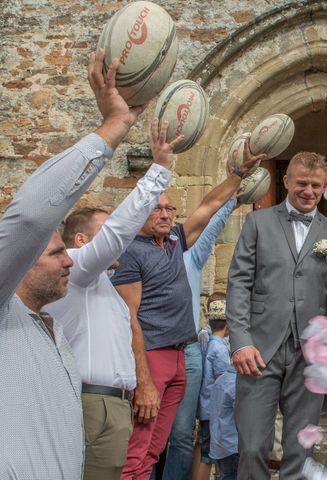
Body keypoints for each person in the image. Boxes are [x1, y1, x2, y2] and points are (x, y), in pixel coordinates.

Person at [0, 50, 144, 478]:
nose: (70, 260)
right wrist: (114, 127)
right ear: (19, 261)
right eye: (56, 252)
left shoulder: (52, 327)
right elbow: (30, 216)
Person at [111, 145, 265, 479]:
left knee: (156, 447)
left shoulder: (175, 241)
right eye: (157, 209)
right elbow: (129, 320)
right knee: (136, 448)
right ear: (140, 212)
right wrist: (144, 379)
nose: (166, 214)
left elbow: (209, 205)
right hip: (152, 356)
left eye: (169, 208)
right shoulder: (130, 253)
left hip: (182, 354)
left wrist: (237, 175)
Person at [44, 120, 179, 480]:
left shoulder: (104, 284)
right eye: (104, 234)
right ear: (81, 241)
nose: (118, 241)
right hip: (92, 402)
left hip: (114, 403)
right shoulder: (78, 270)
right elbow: (120, 231)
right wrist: (159, 170)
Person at [226, 151, 327, 478]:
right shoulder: (257, 222)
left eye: (315, 185)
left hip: (310, 352)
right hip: (259, 349)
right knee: (253, 445)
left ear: (325, 186)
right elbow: (239, 282)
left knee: (300, 449)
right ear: (286, 181)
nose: (308, 191)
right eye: (301, 183)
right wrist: (240, 342)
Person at [163, 197, 236, 480]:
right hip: (152, 349)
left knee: (181, 433)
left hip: (188, 350)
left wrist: (233, 201)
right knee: (152, 432)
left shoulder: (189, 257)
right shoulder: (137, 256)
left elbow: (211, 226)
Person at [196, 301, 233, 480]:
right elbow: (223, 382)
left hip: (205, 408)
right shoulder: (220, 349)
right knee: (212, 455)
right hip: (214, 411)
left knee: (207, 452)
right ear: (227, 326)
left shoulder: (208, 344)